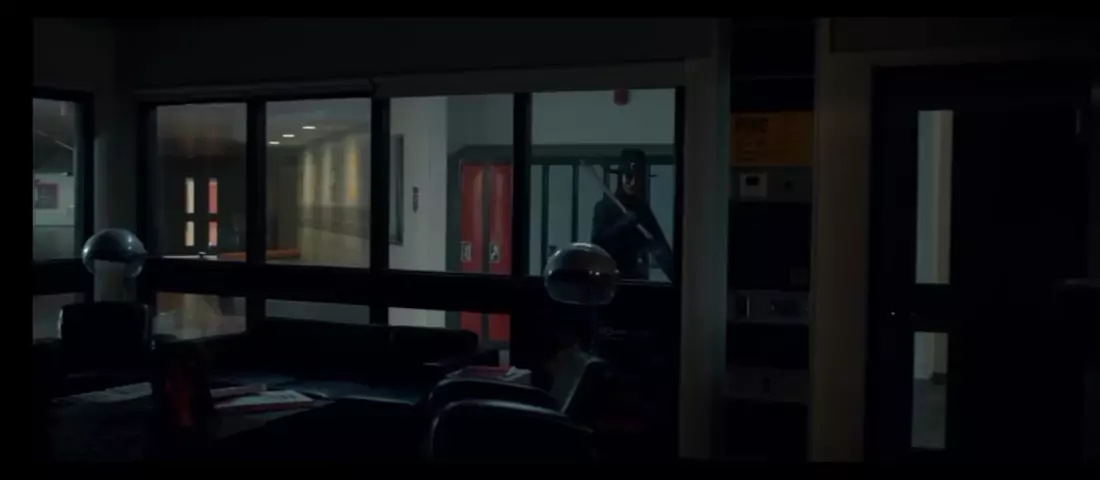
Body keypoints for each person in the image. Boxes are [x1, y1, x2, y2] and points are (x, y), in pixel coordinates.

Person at [590, 149, 674, 281]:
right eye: (629, 176)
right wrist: (620, 224)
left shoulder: (642, 210)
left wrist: (680, 280)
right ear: (621, 176)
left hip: (638, 280)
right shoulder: (604, 208)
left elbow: (660, 249)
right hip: (610, 280)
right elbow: (597, 245)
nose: (633, 182)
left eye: (638, 177)